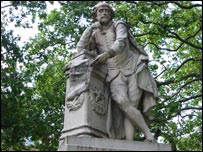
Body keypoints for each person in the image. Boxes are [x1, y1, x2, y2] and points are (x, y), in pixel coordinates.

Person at [77, 2, 158, 142]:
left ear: (111, 14)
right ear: (95, 15)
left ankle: (130, 143)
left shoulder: (119, 25)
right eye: (100, 11)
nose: (104, 13)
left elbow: (121, 42)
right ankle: (148, 134)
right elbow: (80, 48)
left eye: (107, 10)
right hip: (113, 74)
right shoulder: (94, 33)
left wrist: (107, 54)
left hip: (133, 69)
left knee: (130, 108)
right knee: (122, 102)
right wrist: (90, 29)